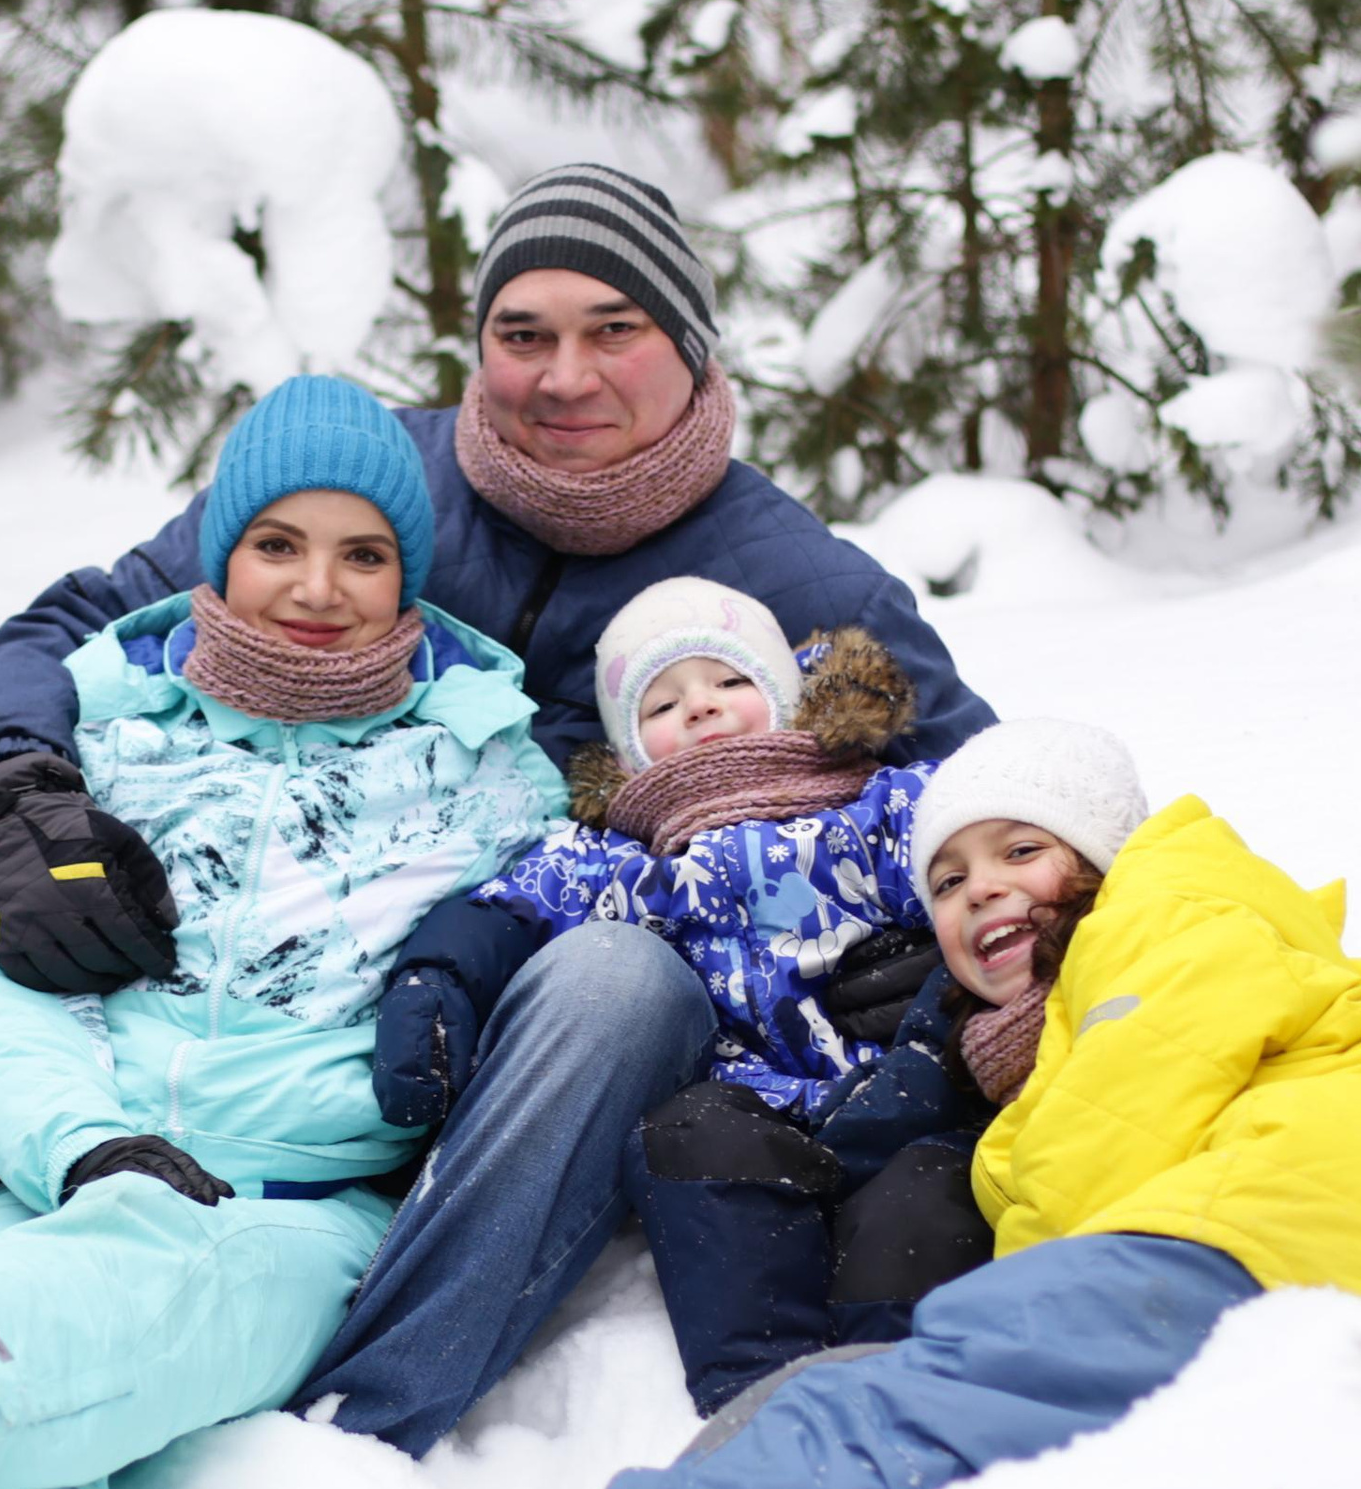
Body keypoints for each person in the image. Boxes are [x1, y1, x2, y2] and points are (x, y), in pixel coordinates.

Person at [0, 165, 994, 1459]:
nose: (564, 376)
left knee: (619, 980)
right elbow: (83, 626)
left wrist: (935, 966)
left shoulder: (795, 578)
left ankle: (355, 1420)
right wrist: (22, 793)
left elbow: (997, 812)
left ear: (691, 345)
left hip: (427, 1070)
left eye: (613, 331)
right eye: (524, 335)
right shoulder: (362, 483)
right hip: (147, 1030)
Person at [432, 717, 1361, 1489]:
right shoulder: (1142, 978)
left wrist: (993, 1296)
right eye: (950, 880)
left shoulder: (1172, 905)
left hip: (1253, 1239)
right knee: (866, 1413)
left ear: (1105, 854)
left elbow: (1100, 1145)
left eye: (1023, 851)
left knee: (863, 1416)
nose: (983, 894)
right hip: (1329, 1256)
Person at [0, 378, 560, 1489]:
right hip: (71, 1174)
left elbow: (519, 949)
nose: (316, 587)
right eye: (277, 544)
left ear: (407, 578)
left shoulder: (486, 778)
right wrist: (85, 1147)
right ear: (220, 550)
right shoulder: (112, 733)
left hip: (295, 1213)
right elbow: (6, 980)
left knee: (148, 1291)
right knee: (63, 1319)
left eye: (362, 554)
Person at [374, 576, 979, 1417]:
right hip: (747, 1109)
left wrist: (930, 1025)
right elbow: (507, 909)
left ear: (792, 699)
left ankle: (922, 1403)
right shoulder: (617, 857)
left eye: (732, 682)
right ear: (627, 751)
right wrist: (436, 977)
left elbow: (995, 862)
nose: (701, 709)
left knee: (916, 1211)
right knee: (688, 1150)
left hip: (902, 1091)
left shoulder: (882, 806)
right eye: (661, 702)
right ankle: (761, 1408)